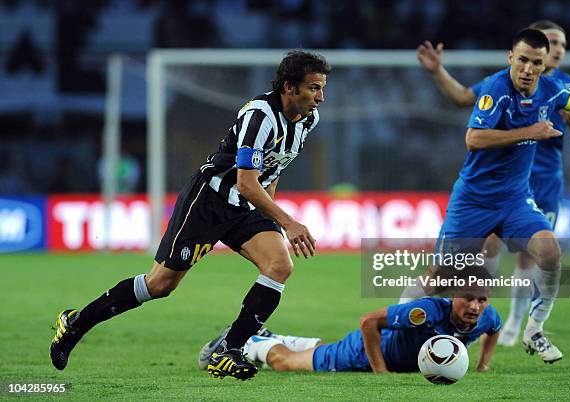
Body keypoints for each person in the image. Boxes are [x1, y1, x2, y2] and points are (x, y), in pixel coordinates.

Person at [50, 50, 331, 381]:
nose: (320, 97)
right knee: (161, 284)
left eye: (322, 88)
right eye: (313, 88)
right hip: (209, 201)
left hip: (246, 206)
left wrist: (270, 222)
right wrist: (288, 222)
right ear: (288, 87)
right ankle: (76, 321)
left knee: (280, 265)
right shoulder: (260, 116)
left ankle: (228, 350)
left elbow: (273, 166)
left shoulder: (307, 121)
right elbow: (245, 182)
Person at [404, 28, 570, 363]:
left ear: (545, 66)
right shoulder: (496, 89)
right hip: (474, 200)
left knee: (549, 253)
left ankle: (533, 328)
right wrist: (531, 132)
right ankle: (399, 323)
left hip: (516, 198)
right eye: (523, 60)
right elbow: (474, 139)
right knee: (442, 276)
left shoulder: (555, 88)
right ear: (510, 57)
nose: (528, 69)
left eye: (536, 63)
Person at [200, 280, 501, 374]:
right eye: (468, 299)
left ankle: (270, 336)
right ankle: (247, 342)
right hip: (363, 354)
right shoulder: (426, 312)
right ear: (453, 296)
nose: (475, 307)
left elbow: (494, 328)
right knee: (284, 363)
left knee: (322, 350)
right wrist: (380, 371)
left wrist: (483, 365)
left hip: (374, 355)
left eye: (481, 300)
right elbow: (368, 322)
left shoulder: (486, 317)